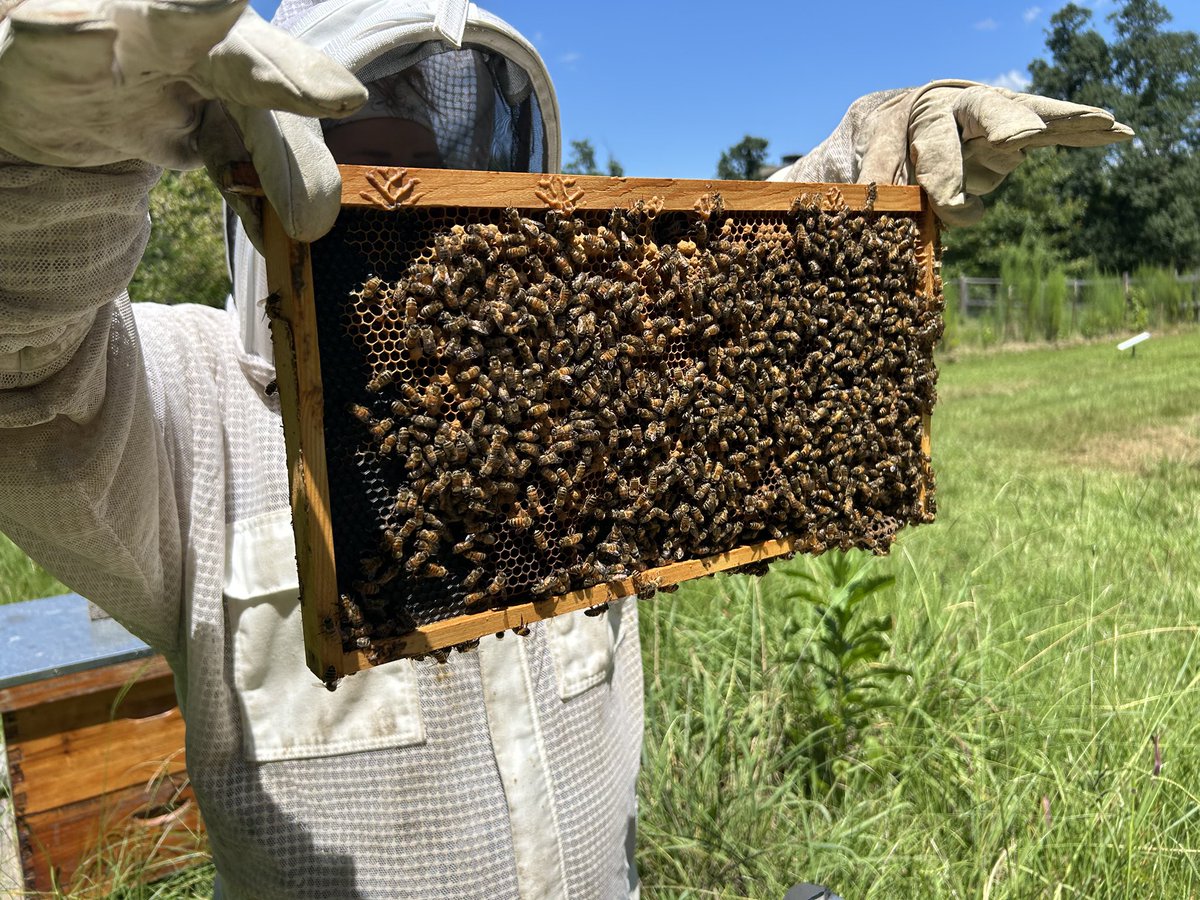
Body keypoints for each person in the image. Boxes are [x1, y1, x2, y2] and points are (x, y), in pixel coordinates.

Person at [0, 0, 1131, 897]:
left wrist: (866, 182)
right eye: (364, 171)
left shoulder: (593, 372)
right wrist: (54, 159)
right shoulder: (176, 407)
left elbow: (727, 303)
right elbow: (24, 362)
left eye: (444, 174)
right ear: (258, 168)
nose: (403, 235)